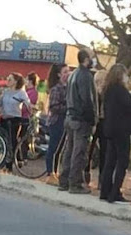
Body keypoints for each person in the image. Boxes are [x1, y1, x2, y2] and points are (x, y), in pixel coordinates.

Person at [59, 49, 98, 194]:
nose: (94, 60)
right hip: (81, 119)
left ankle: (64, 181)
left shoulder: (73, 74)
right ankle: (75, 184)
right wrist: (92, 119)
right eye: (92, 58)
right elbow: (87, 99)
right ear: (86, 59)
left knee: (69, 150)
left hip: (70, 117)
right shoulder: (85, 76)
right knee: (79, 152)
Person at [100, 64, 131, 204]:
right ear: (120, 75)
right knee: (122, 161)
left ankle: (105, 191)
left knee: (110, 161)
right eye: (125, 74)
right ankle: (115, 192)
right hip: (122, 130)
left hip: (110, 128)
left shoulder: (107, 90)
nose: (127, 77)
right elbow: (130, 107)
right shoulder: (121, 90)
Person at [0, 72, 31, 172]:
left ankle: (9, 165)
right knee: (5, 140)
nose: (8, 81)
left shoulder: (21, 93)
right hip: (4, 117)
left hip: (14, 118)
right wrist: (1, 111)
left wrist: (30, 110)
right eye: (7, 79)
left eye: (10, 79)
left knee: (12, 140)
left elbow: (28, 103)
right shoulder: (5, 91)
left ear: (16, 82)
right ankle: (14, 159)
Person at [45, 63, 69, 183]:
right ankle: (50, 173)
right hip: (57, 121)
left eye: (68, 71)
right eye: (65, 72)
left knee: (60, 149)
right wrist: (68, 107)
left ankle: (56, 171)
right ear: (59, 74)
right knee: (53, 148)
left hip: (65, 121)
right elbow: (53, 107)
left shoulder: (68, 87)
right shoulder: (56, 89)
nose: (67, 74)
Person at [86, 69, 108, 188]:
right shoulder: (96, 92)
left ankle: (96, 177)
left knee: (96, 150)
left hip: (99, 122)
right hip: (98, 121)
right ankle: (92, 176)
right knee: (91, 150)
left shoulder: (103, 93)